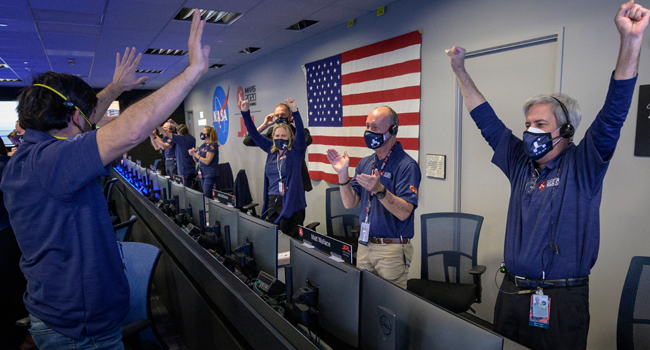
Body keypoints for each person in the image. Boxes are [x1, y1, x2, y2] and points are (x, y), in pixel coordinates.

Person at [0, 9, 210, 350]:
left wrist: (116, 88)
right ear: (71, 116)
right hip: (81, 332)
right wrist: (192, 71)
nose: (91, 124)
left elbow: (82, 118)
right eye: (84, 118)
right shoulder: (51, 161)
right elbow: (132, 130)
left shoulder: (36, 154)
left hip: (70, 320)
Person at [445, 1, 648, 349]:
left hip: (561, 302)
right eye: (527, 125)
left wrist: (630, 42)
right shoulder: (519, 161)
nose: (530, 132)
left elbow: (614, 112)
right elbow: (486, 120)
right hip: (511, 293)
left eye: (540, 124)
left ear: (566, 130)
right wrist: (460, 71)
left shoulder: (584, 163)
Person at [326, 106, 421, 289]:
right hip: (365, 245)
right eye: (367, 126)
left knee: (389, 306)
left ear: (392, 130)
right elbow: (349, 202)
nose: (369, 131)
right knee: (364, 301)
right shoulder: (366, 163)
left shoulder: (407, 166)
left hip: (391, 250)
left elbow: (404, 212)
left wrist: (380, 190)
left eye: (375, 127)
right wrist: (343, 175)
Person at [240, 98, 307, 238]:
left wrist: (295, 111)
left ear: (289, 137)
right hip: (273, 201)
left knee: (287, 242)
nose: (280, 138)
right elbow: (252, 135)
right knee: (273, 239)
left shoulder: (295, 151)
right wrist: (245, 112)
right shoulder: (271, 148)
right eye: (277, 135)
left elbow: (300, 132)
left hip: (292, 202)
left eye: (283, 136)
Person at [243, 103, 313, 192]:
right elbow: (248, 141)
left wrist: (297, 124)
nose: (280, 117)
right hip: (277, 180)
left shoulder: (298, 132)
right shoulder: (272, 133)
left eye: (283, 115)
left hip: (296, 179)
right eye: (277, 115)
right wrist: (265, 125)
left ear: (290, 116)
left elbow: (307, 140)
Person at [158, 121, 197, 187]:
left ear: (179, 133)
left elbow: (167, 134)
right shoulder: (191, 138)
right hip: (191, 168)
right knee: (190, 189)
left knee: (184, 190)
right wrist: (175, 123)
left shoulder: (181, 139)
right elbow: (182, 130)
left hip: (183, 170)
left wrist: (156, 125)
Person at [190, 126, 219, 198]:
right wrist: (194, 154)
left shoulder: (213, 146)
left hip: (209, 174)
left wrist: (195, 155)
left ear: (209, 134)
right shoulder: (203, 145)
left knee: (207, 195)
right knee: (203, 194)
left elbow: (207, 161)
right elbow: (197, 160)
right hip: (202, 173)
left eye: (204, 131)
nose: (202, 133)